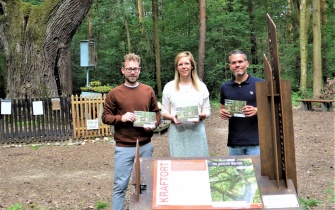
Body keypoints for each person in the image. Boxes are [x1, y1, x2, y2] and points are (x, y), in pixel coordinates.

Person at [102, 53, 161, 210]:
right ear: (123, 70)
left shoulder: (148, 91)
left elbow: (156, 113)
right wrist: (121, 118)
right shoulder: (114, 93)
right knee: (120, 186)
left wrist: (154, 125)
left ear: (139, 70)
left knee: (144, 185)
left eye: (135, 69)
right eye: (129, 69)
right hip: (123, 146)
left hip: (145, 145)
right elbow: (105, 117)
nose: (133, 72)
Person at [161, 51, 211, 157]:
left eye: (187, 64)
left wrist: (201, 115)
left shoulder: (201, 87)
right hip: (177, 133)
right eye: (180, 64)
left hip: (197, 132)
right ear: (177, 68)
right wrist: (171, 117)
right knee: (178, 167)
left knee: (199, 166)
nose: (184, 67)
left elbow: (207, 110)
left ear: (192, 66)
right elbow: (164, 111)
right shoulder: (169, 87)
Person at [219, 49, 264, 156]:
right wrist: (222, 112)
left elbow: (271, 108)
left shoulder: (260, 84)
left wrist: (257, 110)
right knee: (235, 173)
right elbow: (222, 108)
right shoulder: (225, 87)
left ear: (246, 64)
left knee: (256, 172)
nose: (237, 65)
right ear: (230, 66)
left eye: (240, 62)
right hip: (234, 142)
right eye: (234, 63)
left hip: (256, 142)